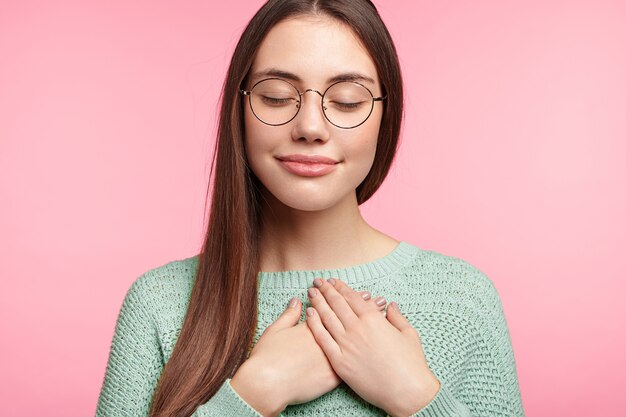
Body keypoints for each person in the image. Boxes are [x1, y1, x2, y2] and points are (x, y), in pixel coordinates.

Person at [95, 0, 525, 416]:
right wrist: (253, 394)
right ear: (239, 109)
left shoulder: (461, 300)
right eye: (278, 96)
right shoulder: (160, 303)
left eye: (348, 101)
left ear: (385, 116)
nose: (311, 127)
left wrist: (416, 398)